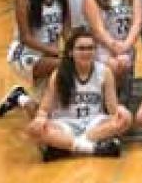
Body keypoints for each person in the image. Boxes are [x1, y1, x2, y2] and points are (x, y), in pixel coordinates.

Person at [26, 29, 131, 160]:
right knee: (33, 130)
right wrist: (40, 119)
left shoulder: (105, 72)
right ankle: (92, 148)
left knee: (126, 119)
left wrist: (121, 112)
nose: (86, 52)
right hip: (65, 124)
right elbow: (44, 109)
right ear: (71, 52)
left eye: (90, 48)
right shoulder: (59, 73)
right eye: (81, 48)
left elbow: (112, 110)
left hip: (94, 125)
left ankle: (67, 146)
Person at [0, 0, 70, 119]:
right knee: (66, 65)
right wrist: (56, 52)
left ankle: (19, 97)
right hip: (25, 54)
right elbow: (25, 38)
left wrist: (73, 48)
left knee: (43, 113)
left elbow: (67, 30)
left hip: (49, 56)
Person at [84, 0, 142, 91]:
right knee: (116, 66)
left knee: (123, 63)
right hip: (102, 48)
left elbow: (137, 23)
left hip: (126, 45)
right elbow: (98, 30)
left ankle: (119, 99)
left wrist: (126, 45)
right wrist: (115, 47)